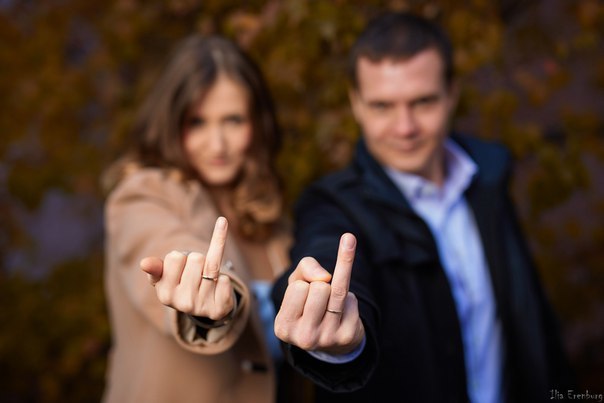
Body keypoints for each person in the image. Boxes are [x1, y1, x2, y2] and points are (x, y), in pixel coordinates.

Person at [271, 11, 574, 403]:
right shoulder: (333, 204)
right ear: (356, 103)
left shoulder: (488, 178)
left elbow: (531, 321)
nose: (405, 127)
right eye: (382, 106)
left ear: (452, 94)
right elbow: (324, 257)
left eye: (423, 102)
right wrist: (331, 324)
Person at [101, 34, 310, 403]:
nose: (217, 145)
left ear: (256, 123)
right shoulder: (141, 195)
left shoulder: (270, 218)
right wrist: (197, 290)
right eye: (197, 122)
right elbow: (163, 245)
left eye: (232, 120)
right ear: (170, 123)